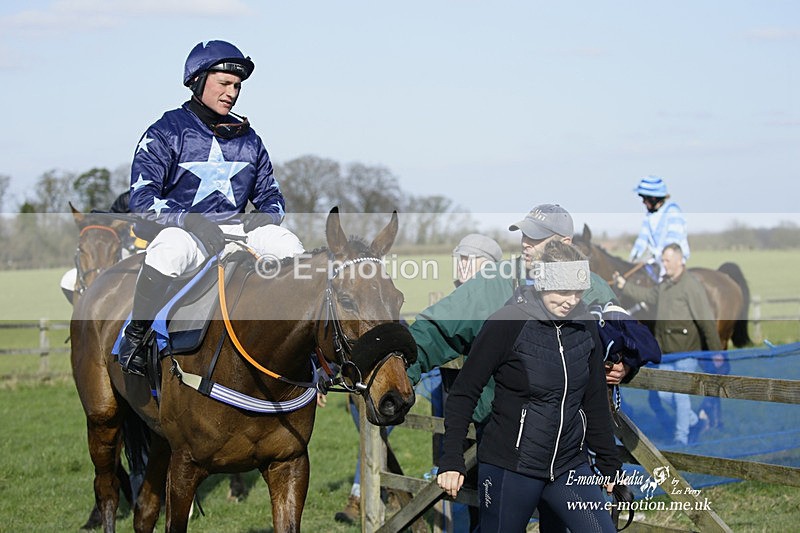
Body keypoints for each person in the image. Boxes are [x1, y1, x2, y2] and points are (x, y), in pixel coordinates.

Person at [118, 40, 304, 375]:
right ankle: (136, 336)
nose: (232, 92)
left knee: (289, 244)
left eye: (237, 86)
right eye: (224, 83)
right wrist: (189, 220)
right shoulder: (165, 132)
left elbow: (272, 197)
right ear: (199, 81)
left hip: (239, 231)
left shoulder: (250, 140)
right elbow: (142, 201)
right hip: (186, 233)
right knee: (169, 250)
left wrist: (265, 216)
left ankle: (307, 350)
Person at [437, 240, 621, 532]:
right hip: (511, 467)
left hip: (568, 465)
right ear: (541, 281)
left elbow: (595, 398)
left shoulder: (584, 324)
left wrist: (610, 462)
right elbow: (464, 392)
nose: (571, 300)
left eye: (577, 291)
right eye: (563, 291)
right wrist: (451, 459)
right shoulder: (507, 322)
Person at [334, 234, 504, 527]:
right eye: (459, 258)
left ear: (489, 267)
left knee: (483, 493)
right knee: (450, 471)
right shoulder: (452, 304)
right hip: (456, 413)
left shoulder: (493, 302)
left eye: (470, 259)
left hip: (492, 420)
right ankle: (363, 491)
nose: (462, 266)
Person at [614, 243, 722, 445]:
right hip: (666, 352)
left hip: (686, 353)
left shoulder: (691, 286)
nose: (664, 264)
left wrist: (716, 352)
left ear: (680, 260)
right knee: (664, 394)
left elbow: (705, 320)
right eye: (663, 260)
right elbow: (647, 296)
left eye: (667, 260)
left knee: (680, 397)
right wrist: (623, 285)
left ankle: (681, 439)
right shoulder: (664, 285)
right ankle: (694, 421)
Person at [629, 175, 690, 280]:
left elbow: (672, 242)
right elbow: (642, 240)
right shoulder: (649, 216)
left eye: (644, 198)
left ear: (653, 198)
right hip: (656, 261)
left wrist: (659, 257)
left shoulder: (673, 212)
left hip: (671, 261)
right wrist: (632, 259)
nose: (643, 202)